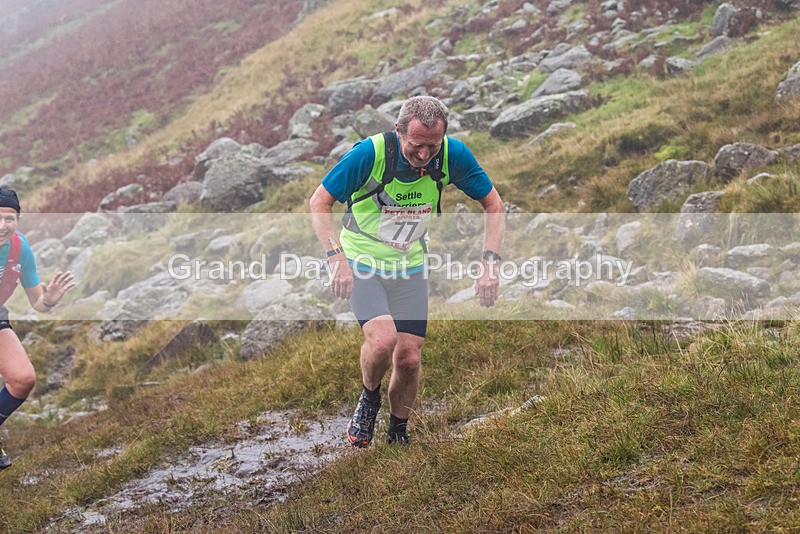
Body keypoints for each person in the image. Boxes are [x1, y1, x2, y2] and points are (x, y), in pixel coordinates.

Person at [309, 96, 505, 447]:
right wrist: (335, 257)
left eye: (433, 145)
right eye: (416, 145)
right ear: (399, 132)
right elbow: (319, 201)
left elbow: (494, 204)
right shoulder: (369, 154)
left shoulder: (452, 155)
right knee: (383, 341)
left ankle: (398, 433)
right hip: (363, 259)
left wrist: (490, 264)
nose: (425, 154)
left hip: (410, 264)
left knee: (410, 358)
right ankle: (369, 398)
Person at [0, 188, 75, 469]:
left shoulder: (21, 249)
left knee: (23, 378)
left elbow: (37, 302)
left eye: (9, 219)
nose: (2, 226)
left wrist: (49, 300)